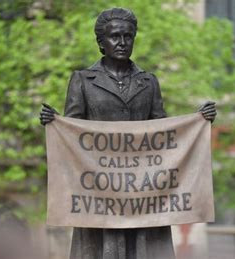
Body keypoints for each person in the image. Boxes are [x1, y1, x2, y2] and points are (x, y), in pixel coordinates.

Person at [40, 8, 216, 259]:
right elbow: (72, 136)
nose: (122, 42)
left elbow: (164, 136)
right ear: (101, 43)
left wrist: (198, 121)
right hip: (100, 197)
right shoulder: (82, 80)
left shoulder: (149, 81)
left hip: (143, 197)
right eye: (114, 37)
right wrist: (55, 123)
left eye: (128, 36)